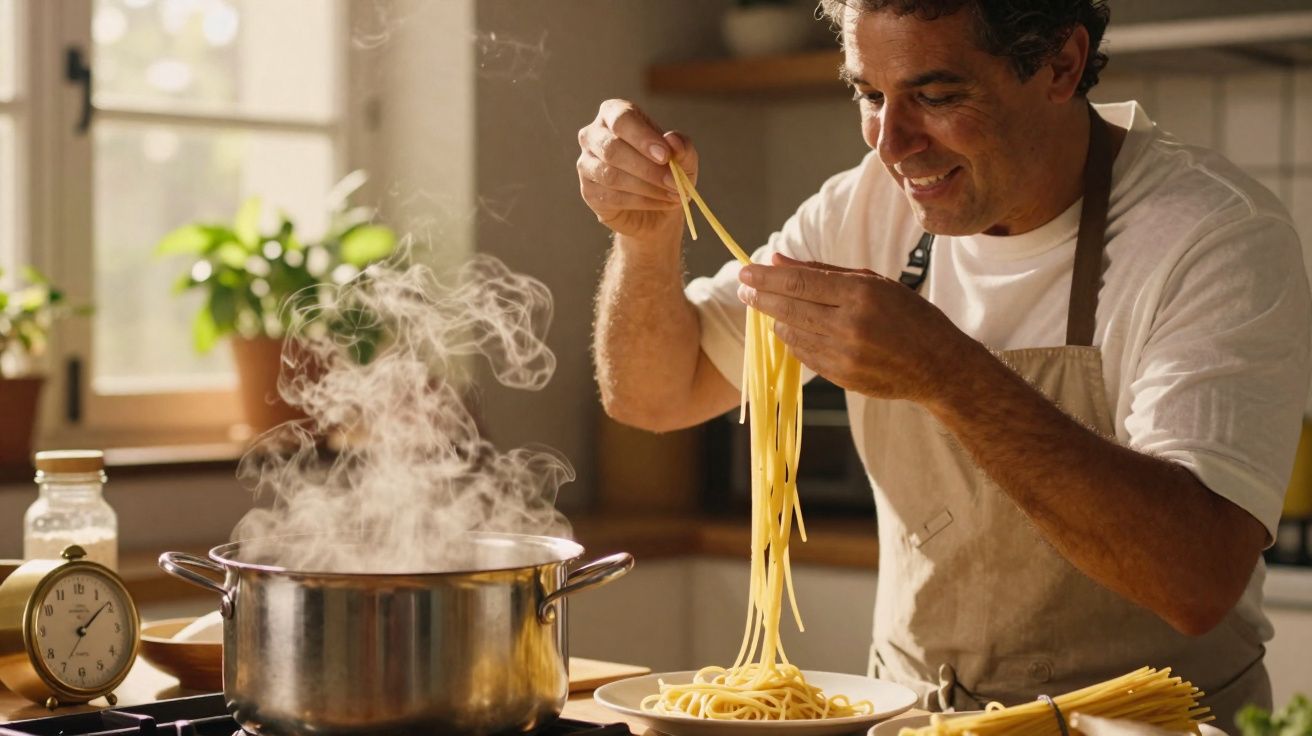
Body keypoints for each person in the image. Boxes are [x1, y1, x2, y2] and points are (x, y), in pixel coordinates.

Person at [576, 1, 1310, 732]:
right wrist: (646, 238)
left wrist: (949, 374)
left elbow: (1196, 579)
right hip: (913, 720)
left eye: (934, 95)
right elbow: (654, 395)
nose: (891, 144)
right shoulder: (866, 210)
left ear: (1061, 64)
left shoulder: (1210, 237)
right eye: (870, 95)